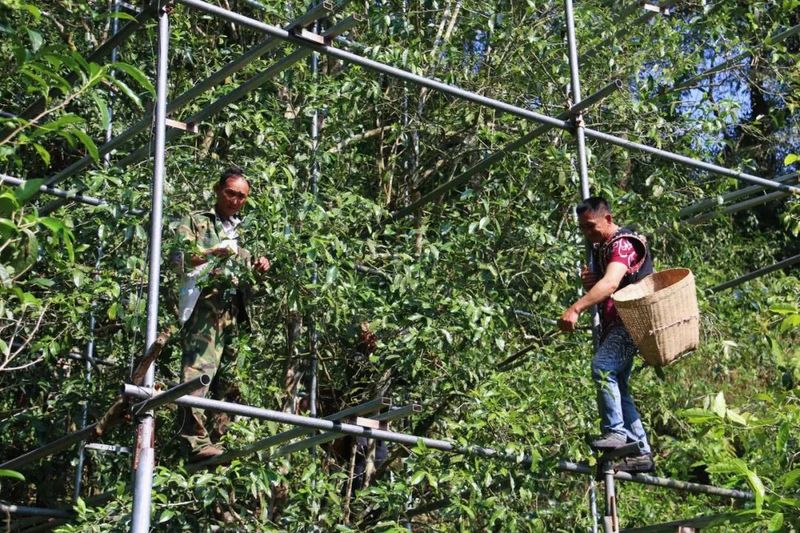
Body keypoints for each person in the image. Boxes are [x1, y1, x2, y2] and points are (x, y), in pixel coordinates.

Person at [174, 167, 270, 461]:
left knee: (233, 381)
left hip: (236, 313)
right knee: (197, 375)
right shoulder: (197, 221)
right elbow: (179, 258)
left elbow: (253, 280)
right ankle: (194, 443)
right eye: (230, 193)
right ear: (218, 190)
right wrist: (212, 252)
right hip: (206, 307)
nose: (235, 200)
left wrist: (260, 267)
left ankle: (218, 441)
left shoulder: (244, 231)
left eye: (241, 196)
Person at [558, 196, 655, 473]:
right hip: (621, 323)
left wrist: (576, 308)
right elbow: (609, 279)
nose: (588, 234)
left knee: (602, 367)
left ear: (608, 219)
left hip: (632, 322)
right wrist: (594, 279)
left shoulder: (623, 244)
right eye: (583, 229)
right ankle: (641, 452)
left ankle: (616, 433)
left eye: (591, 227)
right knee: (619, 386)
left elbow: (611, 283)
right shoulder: (604, 247)